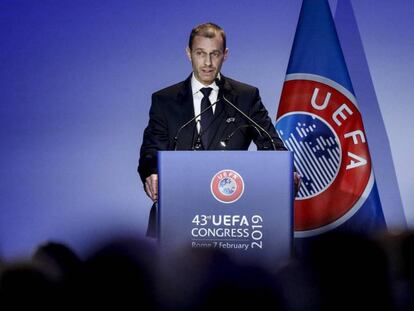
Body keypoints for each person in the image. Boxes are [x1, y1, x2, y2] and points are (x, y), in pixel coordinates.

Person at [138, 22, 296, 237]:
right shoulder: (165, 100)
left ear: (225, 55)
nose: (208, 63)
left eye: (215, 54)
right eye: (201, 53)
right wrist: (152, 173)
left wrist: (284, 170)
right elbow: (151, 151)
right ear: (188, 53)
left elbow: (272, 145)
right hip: (177, 214)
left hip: (231, 220)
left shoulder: (244, 97)